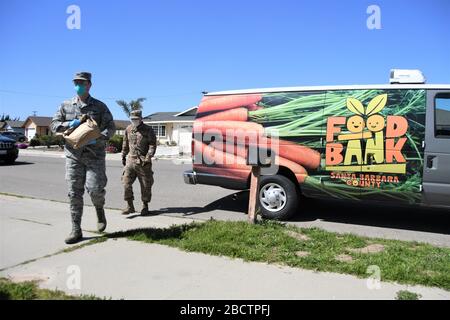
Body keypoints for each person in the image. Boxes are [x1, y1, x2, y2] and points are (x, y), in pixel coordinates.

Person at [51, 72, 115, 244]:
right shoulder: (65, 105)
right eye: (76, 82)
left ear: (89, 85)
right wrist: (67, 124)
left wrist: (99, 137)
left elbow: (111, 127)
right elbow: (53, 125)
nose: (78, 85)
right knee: (74, 193)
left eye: (82, 82)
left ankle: (99, 209)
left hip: (95, 155)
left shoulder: (100, 106)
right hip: (73, 155)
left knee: (95, 189)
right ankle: (76, 229)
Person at [121, 110, 157, 216]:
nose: (134, 121)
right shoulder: (128, 129)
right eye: (132, 119)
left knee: (146, 185)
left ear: (141, 118)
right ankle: (129, 206)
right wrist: (123, 155)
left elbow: (152, 145)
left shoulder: (148, 130)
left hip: (143, 162)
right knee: (126, 183)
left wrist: (148, 157)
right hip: (130, 161)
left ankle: (145, 206)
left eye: (136, 119)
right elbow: (125, 143)